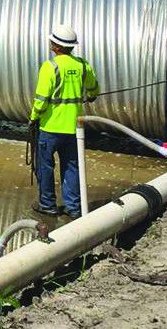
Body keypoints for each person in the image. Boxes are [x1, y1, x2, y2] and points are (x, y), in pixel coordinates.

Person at [30, 23, 100, 218]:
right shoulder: (82, 65)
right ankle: (73, 208)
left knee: (45, 167)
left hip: (50, 127)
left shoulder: (50, 67)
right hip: (74, 128)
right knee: (71, 167)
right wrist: (91, 95)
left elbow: (42, 99)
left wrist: (33, 117)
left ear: (56, 46)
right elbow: (94, 89)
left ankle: (48, 205)